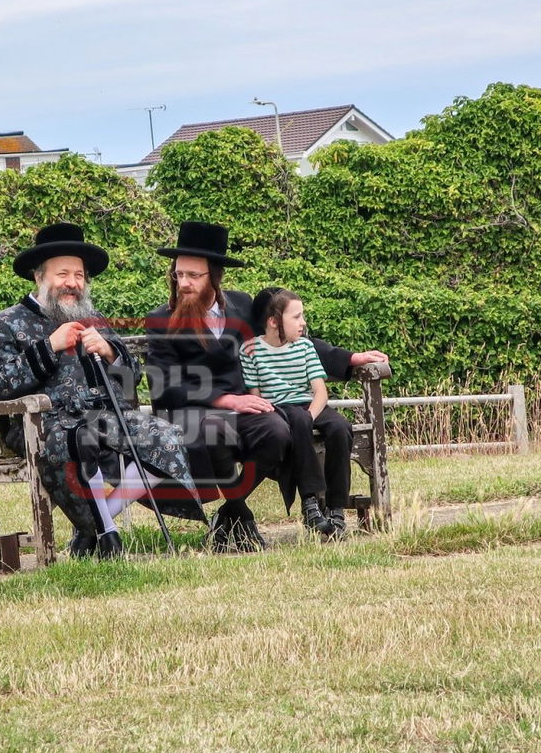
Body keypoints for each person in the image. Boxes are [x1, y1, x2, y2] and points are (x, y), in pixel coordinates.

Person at [145, 221, 388, 552]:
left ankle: (229, 512)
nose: (183, 283)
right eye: (178, 274)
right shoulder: (161, 318)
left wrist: (348, 358)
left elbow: (284, 339)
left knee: (277, 431)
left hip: (248, 407)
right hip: (194, 412)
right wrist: (225, 399)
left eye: (193, 275)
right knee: (217, 432)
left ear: (214, 276)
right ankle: (240, 514)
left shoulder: (242, 305)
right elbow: (164, 384)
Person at [0, 222, 203, 559]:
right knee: (80, 440)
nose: (73, 283)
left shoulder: (93, 318)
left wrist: (111, 352)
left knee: (166, 436)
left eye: (79, 275)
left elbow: (132, 377)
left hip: (104, 417)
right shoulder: (5, 323)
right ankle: (108, 536)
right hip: (43, 426)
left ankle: (92, 529)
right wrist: (49, 347)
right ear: (39, 277)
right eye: (63, 274)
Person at [242, 288, 354, 538]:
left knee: (340, 428)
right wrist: (290, 418)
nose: (303, 323)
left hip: (310, 407)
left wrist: (310, 416)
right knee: (298, 419)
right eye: (296, 317)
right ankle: (310, 503)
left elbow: (320, 393)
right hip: (278, 409)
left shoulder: (304, 347)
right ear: (273, 321)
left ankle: (337, 508)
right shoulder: (251, 350)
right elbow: (256, 397)